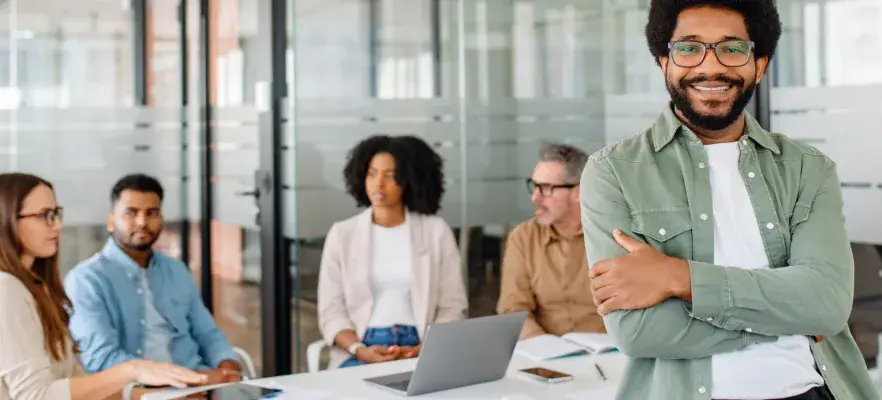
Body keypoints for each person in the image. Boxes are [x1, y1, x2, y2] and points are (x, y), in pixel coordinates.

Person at [579, 1, 876, 399]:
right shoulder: (614, 171)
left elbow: (826, 306)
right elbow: (639, 332)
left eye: (732, 48)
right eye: (688, 47)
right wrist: (785, 318)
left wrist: (677, 278)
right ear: (663, 62)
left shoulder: (808, 167)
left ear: (760, 64)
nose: (710, 66)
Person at [0, 172, 206, 400]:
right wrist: (133, 370)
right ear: (6, 219)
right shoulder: (6, 289)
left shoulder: (38, 287)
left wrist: (152, 397)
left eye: (57, 213)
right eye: (44, 215)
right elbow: (36, 395)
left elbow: (73, 383)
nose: (58, 225)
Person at [65, 174, 243, 386]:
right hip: (137, 390)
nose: (142, 222)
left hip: (198, 383)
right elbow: (100, 359)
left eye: (152, 213)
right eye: (131, 213)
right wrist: (180, 379)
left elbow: (207, 333)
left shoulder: (176, 270)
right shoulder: (87, 280)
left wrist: (227, 366)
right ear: (111, 221)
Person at [318, 135, 468, 369]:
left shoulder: (435, 231)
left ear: (409, 179)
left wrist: (426, 348)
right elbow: (330, 311)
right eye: (372, 173)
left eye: (390, 175)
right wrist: (360, 350)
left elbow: (453, 305)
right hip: (362, 346)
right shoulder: (342, 234)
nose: (378, 184)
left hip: (421, 344)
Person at [496, 143, 604, 339]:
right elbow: (514, 310)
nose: (535, 197)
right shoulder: (523, 238)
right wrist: (548, 349)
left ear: (578, 192)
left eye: (546, 188)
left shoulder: (610, 234)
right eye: (534, 186)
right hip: (546, 356)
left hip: (609, 354)